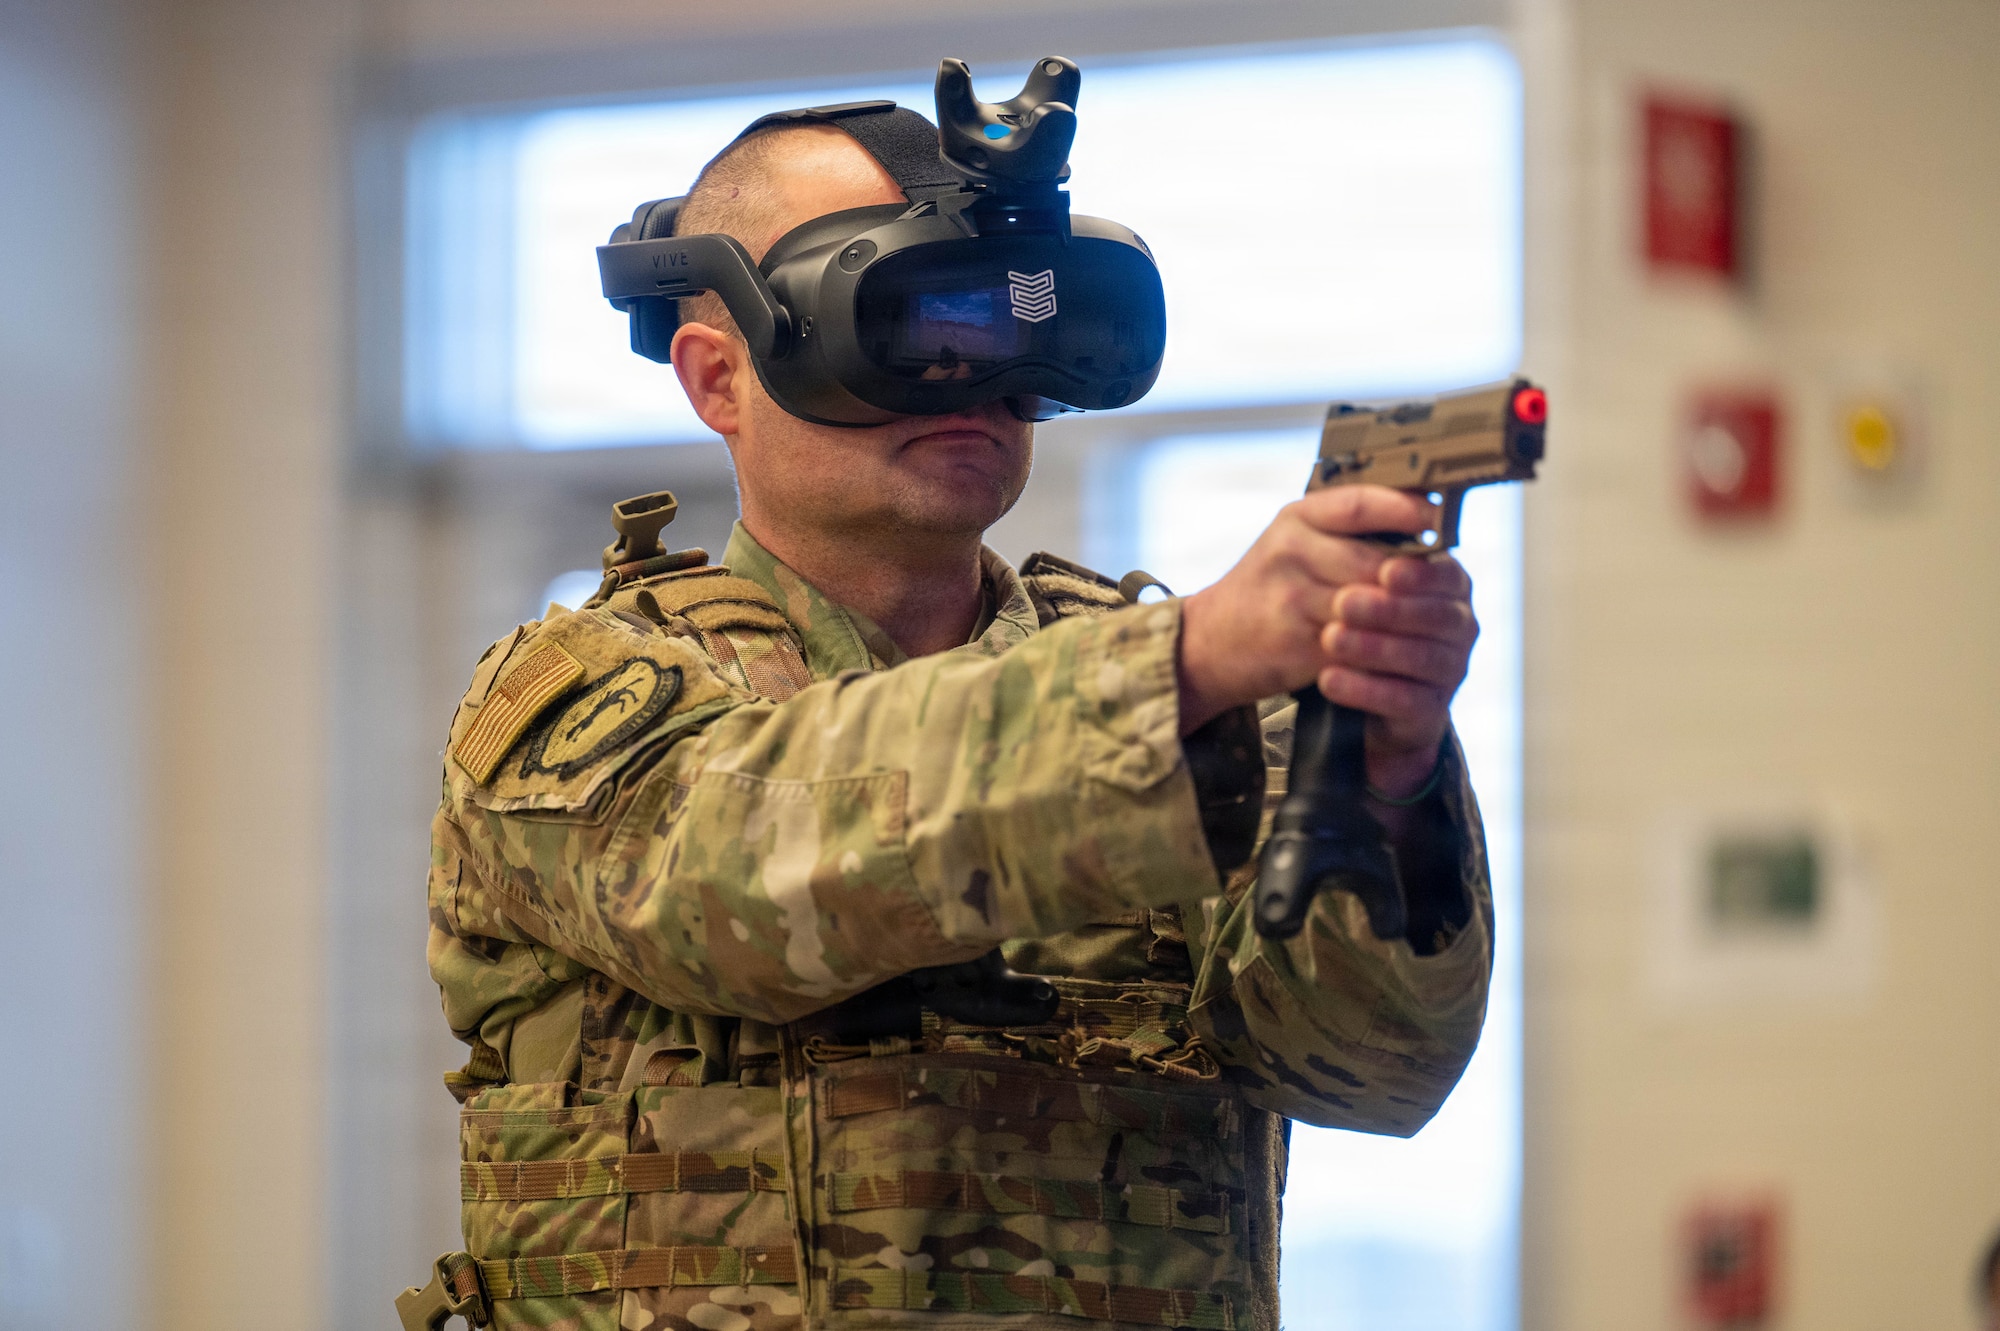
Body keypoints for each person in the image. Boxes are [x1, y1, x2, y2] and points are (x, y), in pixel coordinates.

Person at [424, 111, 1493, 1331]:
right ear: (719, 376)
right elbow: (736, 879)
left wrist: (1385, 767)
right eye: (903, 320)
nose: (972, 374)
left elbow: (1371, 1066)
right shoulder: (577, 692)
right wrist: (1183, 665)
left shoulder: (1187, 701)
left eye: (1011, 321)